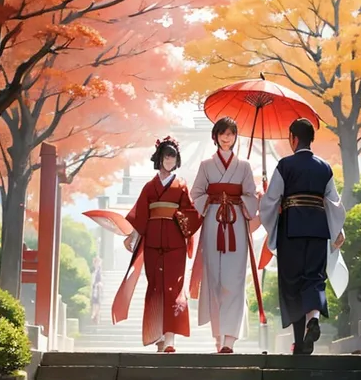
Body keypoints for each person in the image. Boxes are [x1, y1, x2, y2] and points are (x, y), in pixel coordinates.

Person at [260, 118, 345, 355]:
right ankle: (313, 320)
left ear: (293, 138)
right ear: (311, 139)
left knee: (293, 283)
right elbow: (334, 203)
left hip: (292, 229)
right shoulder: (324, 167)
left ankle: (299, 342)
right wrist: (338, 231)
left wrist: (271, 214)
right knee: (314, 278)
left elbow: (270, 201)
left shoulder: (284, 165)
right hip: (318, 230)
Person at [115, 136, 202, 353]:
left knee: (173, 287)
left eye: (173, 157)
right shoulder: (149, 187)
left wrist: (176, 215)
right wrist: (132, 237)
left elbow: (191, 213)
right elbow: (141, 215)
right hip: (153, 242)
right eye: (166, 156)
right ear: (159, 158)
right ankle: (158, 335)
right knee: (155, 287)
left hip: (175, 243)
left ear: (177, 159)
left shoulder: (181, 185)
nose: (169, 161)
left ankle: (170, 338)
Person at [190, 117, 259, 354]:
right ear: (215, 136)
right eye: (222, 133)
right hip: (213, 222)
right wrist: (213, 199)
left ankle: (230, 339)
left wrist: (243, 200)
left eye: (231, 133)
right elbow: (196, 193)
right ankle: (218, 336)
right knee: (214, 280)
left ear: (235, 136)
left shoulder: (245, 166)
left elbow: (251, 195)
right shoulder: (206, 165)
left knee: (234, 280)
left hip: (236, 223)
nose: (226, 138)